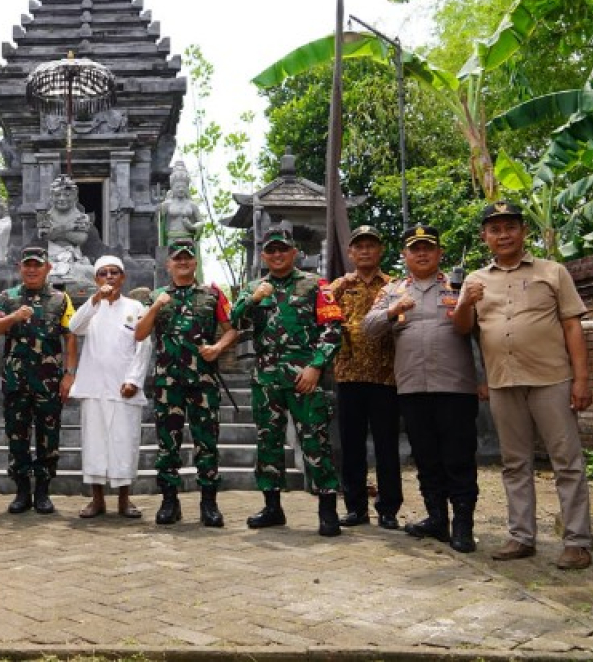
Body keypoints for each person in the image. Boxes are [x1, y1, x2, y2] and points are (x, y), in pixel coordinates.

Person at [454, 201, 593, 570]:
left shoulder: (553, 272)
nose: (503, 234)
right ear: (485, 236)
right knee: (515, 463)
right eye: (495, 229)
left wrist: (581, 379)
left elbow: (572, 326)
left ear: (523, 231)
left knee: (567, 462)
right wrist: (464, 302)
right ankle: (521, 537)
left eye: (510, 227)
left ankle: (577, 542)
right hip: (503, 381)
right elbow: (463, 328)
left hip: (552, 379)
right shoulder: (475, 279)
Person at [363, 224, 483, 553]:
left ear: (439, 253)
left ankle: (463, 524)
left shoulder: (460, 285)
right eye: (414, 249)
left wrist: (484, 380)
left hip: (455, 387)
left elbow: (480, 334)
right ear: (404, 256)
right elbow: (368, 328)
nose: (422, 253)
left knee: (458, 458)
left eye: (428, 247)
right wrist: (392, 311)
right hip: (412, 388)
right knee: (426, 458)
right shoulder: (393, 290)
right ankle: (436, 518)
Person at [231, 227, 344, 537]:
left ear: (294, 252)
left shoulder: (315, 285)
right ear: (263, 255)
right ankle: (272, 507)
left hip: (304, 377)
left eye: (283, 249)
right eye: (271, 250)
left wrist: (316, 367)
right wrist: (253, 300)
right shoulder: (254, 287)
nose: (277, 255)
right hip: (267, 378)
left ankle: (327, 509)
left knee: (315, 441)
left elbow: (333, 329)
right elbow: (234, 322)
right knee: (268, 442)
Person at [133, 238, 237, 527]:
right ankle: (169, 502)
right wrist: (155, 307)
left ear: (194, 262)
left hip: (203, 382)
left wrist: (217, 348)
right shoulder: (154, 296)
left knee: (207, 443)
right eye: (177, 258)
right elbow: (139, 334)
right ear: (168, 264)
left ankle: (209, 503)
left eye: (187, 258)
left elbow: (231, 330)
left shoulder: (212, 295)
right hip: (168, 384)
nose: (182, 263)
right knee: (168, 445)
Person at [0, 245, 78, 515]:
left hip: (49, 383)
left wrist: (69, 375)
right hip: (16, 381)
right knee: (17, 436)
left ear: (47, 268)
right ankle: (22, 490)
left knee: (48, 437)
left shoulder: (61, 298)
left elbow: (70, 336)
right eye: (27, 265)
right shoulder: (7, 297)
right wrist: (15, 316)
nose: (32, 269)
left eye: (37, 265)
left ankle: (43, 490)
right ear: (20, 268)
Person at [327, 225, 402, 529]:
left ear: (380, 250)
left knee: (387, 446)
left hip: (386, 376)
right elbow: (323, 320)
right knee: (352, 445)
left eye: (371, 245)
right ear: (351, 253)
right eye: (359, 246)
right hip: (349, 375)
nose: (365, 251)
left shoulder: (394, 286)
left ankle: (388, 509)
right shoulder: (340, 287)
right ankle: (356, 507)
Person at [69, 256, 153, 519]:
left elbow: (143, 345)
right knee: (95, 444)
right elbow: (74, 327)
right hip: (94, 387)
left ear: (123, 277)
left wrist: (134, 380)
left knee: (124, 443)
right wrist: (95, 300)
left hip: (123, 387)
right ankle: (97, 500)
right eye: (103, 273)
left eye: (114, 272)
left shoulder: (136, 306)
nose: (109, 277)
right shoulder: (91, 308)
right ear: (96, 279)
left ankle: (125, 500)